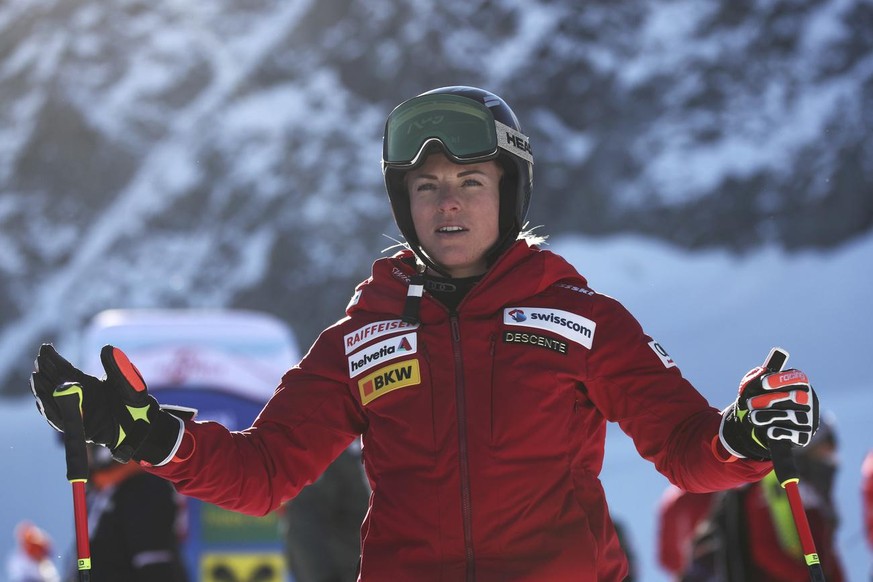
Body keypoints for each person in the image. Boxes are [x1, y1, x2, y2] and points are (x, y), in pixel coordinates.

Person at [29, 86, 821, 581]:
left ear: (508, 193)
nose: (447, 204)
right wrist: (153, 438)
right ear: (402, 202)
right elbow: (264, 473)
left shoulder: (582, 320)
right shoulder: (363, 335)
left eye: (469, 184)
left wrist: (742, 436)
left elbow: (684, 448)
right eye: (426, 186)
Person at [680, 416, 845, 581]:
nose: (829, 456)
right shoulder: (771, 483)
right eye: (823, 447)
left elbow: (826, 549)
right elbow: (764, 549)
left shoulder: (812, 488)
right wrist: (807, 577)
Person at [66, 444, 189, 582]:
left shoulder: (143, 486)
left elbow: (155, 564)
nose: (76, 457)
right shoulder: (98, 493)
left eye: (84, 445)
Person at [280, 440, 370, 582]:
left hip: (344, 559)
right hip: (326, 562)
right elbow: (305, 521)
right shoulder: (329, 456)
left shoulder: (352, 454)